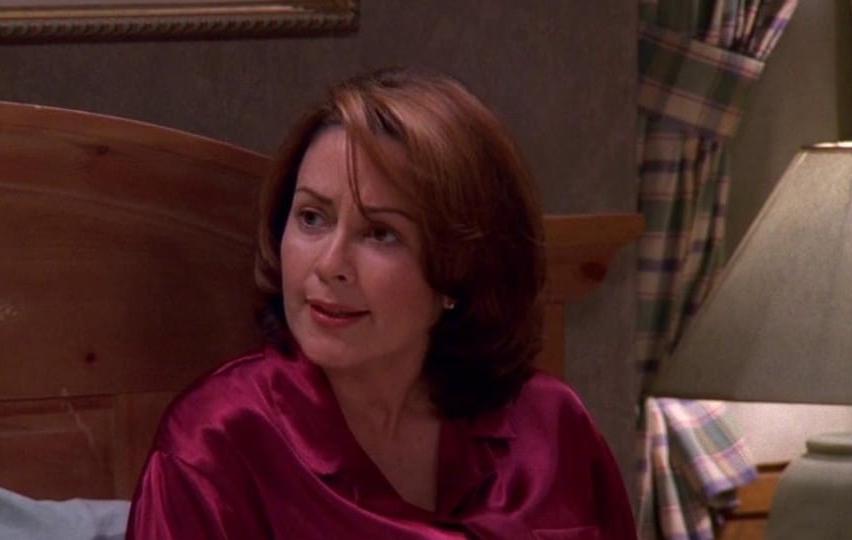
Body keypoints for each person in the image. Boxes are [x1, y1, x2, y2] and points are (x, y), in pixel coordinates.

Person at [127, 68, 637, 539]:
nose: (330, 264)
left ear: (461, 266)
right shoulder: (214, 446)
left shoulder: (551, 426)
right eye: (311, 218)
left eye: (379, 233)